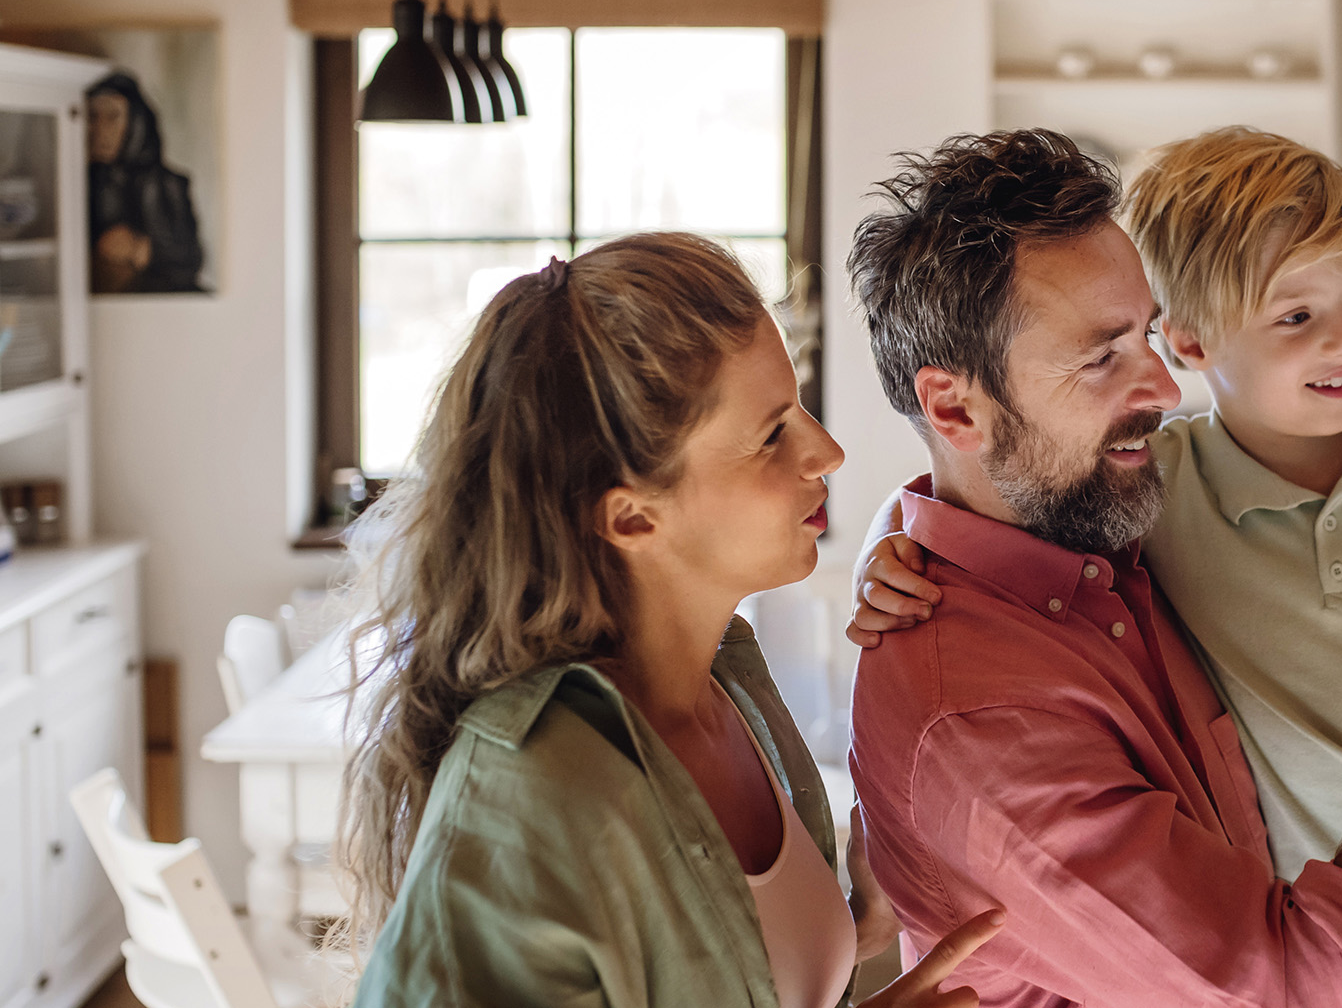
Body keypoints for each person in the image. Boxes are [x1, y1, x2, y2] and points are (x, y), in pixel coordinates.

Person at [857, 127, 1342, 1006]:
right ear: (1200, 344)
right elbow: (1317, 986)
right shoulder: (1153, 502)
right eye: (1102, 353)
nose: (1157, 385)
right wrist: (889, 540)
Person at [337, 232, 999, 1007]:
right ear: (630, 518)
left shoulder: (735, 690)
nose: (827, 452)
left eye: (801, 410)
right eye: (770, 435)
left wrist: (855, 936)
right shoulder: (524, 799)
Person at [85, 71, 204, 293]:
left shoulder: (168, 183)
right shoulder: (80, 182)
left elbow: (190, 258)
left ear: (135, 123)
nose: (100, 129)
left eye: (112, 117)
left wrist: (140, 248)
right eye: (92, 116)